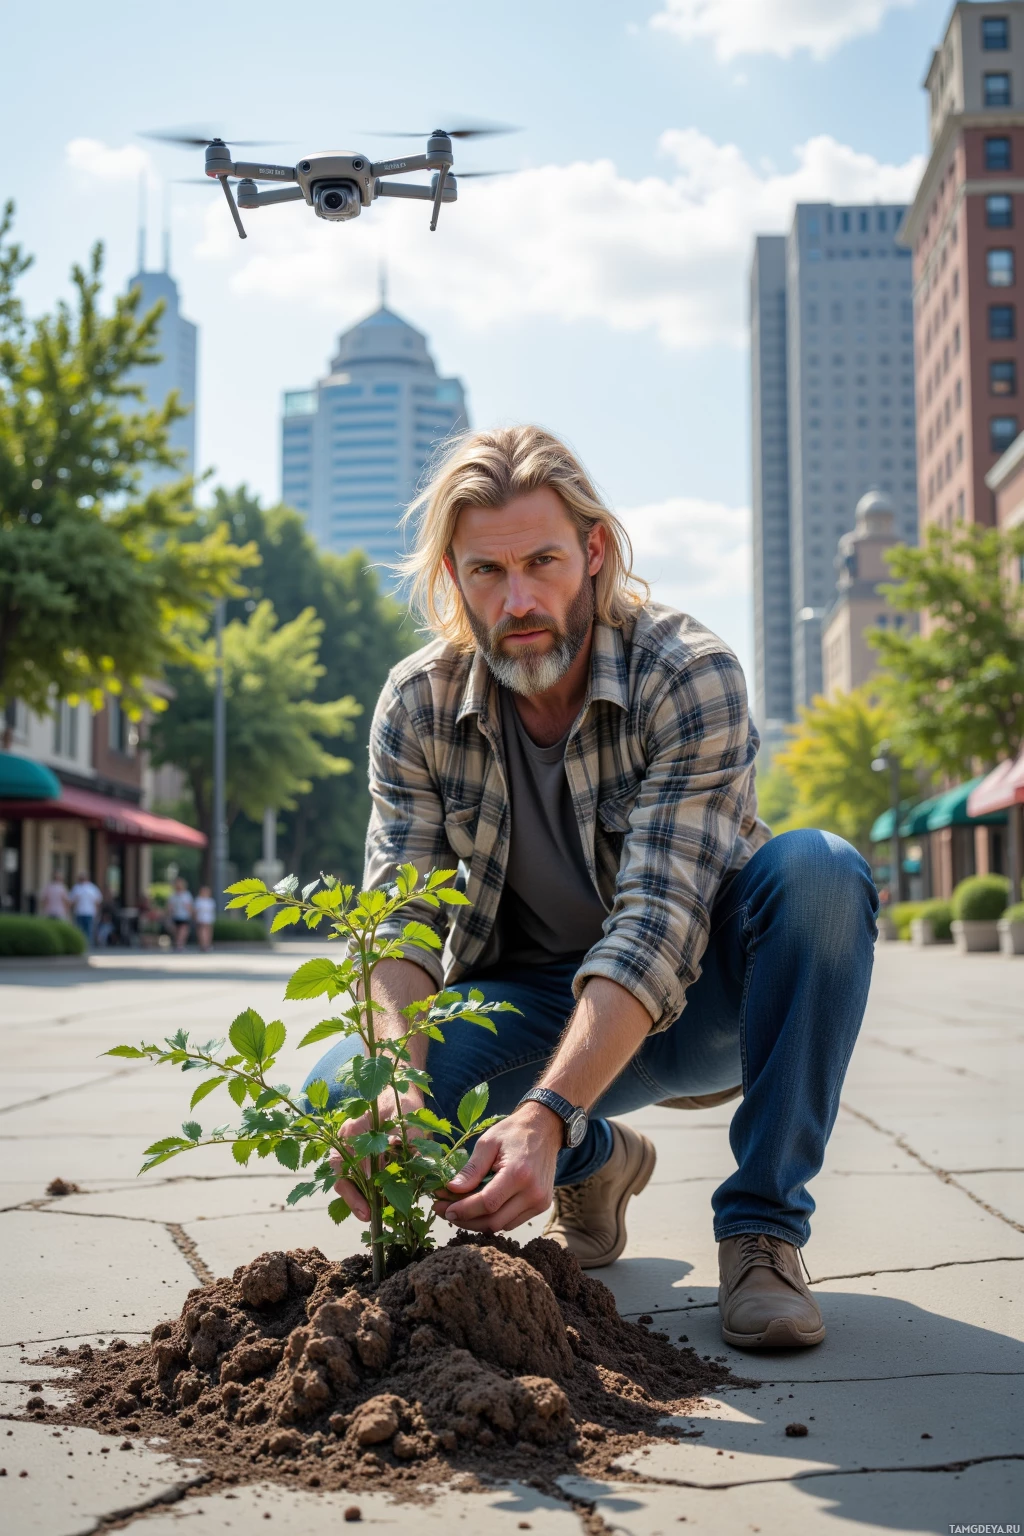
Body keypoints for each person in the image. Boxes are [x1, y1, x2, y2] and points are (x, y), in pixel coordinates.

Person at [305, 426, 877, 1352]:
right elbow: (400, 919)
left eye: (543, 561)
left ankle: (764, 1231)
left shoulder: (686, 673)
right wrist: (397, 1086)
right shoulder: (417, 706)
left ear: (595, 552)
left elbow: (656, 922)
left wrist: (546, 1111)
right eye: (487, 572)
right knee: (345, 1089)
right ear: (453, 578)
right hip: (528, 1008)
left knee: (819, 872)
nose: (518, 599)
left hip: (702, 1003)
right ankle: (601, 1161)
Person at [69, 872, 103, 947]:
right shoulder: (77, 888)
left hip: (88, 913)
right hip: (81, 912)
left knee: (87, 930)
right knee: (81, 930)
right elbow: (72, 901)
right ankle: (82, 944)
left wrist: (97, 912)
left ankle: (86, 945)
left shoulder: (91, 888)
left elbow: (97, 901)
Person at [167, 877, 195, 951]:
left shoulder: (186, 895)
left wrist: (192, 914)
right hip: (175, 915)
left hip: (184, 916)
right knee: (176, 931)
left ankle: (180, 944)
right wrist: (169, 915)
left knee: (183, 931)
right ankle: (178, 944)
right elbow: (170, 906)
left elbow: (189, 906)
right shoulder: (173, 895)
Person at [194, 886, 216, 953]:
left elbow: (212, 910)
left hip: (209, 918)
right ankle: (203, 945)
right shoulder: (199, 900)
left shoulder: (210, 900)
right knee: (202, 931)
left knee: (208, 932)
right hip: (201, 918)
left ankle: (207, 944)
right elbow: (196, 910)